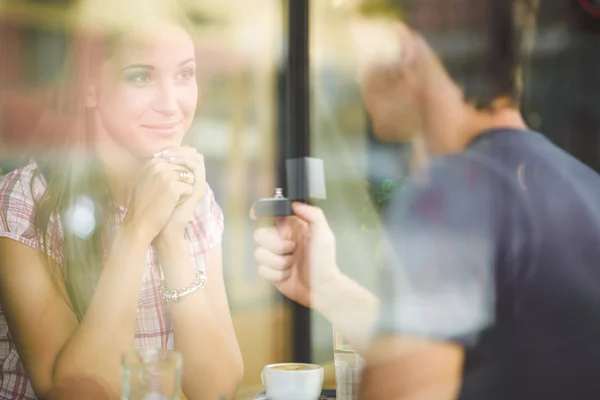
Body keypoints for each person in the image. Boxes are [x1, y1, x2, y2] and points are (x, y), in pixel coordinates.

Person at [253, 0, 600, 399]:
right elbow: (471, 357)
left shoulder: (453, 196)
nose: (353, 73)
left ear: (404, 49)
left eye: (358, 53)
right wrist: (327, 286)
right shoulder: (581, 186)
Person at [0, 6, 243, 400]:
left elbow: (216, 388)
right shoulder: (23, 203)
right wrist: (136, 232)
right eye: (141, 76)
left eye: (184, 74)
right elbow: (74, 394)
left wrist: (170, 239)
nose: (171, 103)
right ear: (90, 86)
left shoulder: (194, 199)